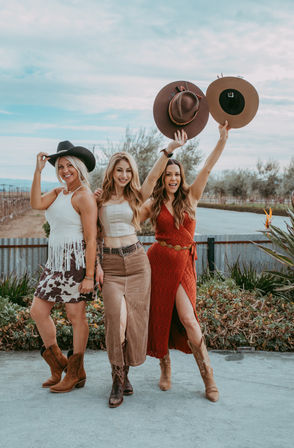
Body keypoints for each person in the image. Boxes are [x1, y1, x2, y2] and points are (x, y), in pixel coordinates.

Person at [95, 130, 187, 408]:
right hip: (110, 264)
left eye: (127, 171)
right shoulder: (97, 199)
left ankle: (122, 377)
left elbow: (153, 176)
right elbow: (92, 235)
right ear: (111, 172)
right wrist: (96, 265)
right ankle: (117, 375)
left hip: (136, 262)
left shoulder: (137, 196)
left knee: (133, 323)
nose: (123, 175)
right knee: (117, 320)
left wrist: (168, 150)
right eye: (119, 170)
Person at [140, 121, 230, 402]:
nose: (173, 178)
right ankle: (164, 367)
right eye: (168, 174)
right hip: (157, 262)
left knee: (189, 320)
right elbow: (130, 213)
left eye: (176, 174)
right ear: (163, 177)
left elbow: (208, 167)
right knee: (161, 316)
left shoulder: (191, 197)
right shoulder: (153, 204)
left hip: (184, 265)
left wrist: (222, 139)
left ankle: (208, 375)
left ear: (181, 176)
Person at [30, 141, 98, 393]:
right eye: (61, 166)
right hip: (54, 263)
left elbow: (91, 239)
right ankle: (59, 364)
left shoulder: (84, 196)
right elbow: (36, 203)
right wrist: (38, 171)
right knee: (38, 311)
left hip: (75, 262)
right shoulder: (59, 193)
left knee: (75, 316)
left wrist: (89, 276)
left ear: (79, 168)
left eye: (70, 165)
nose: (65, 170)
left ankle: (76, 372)